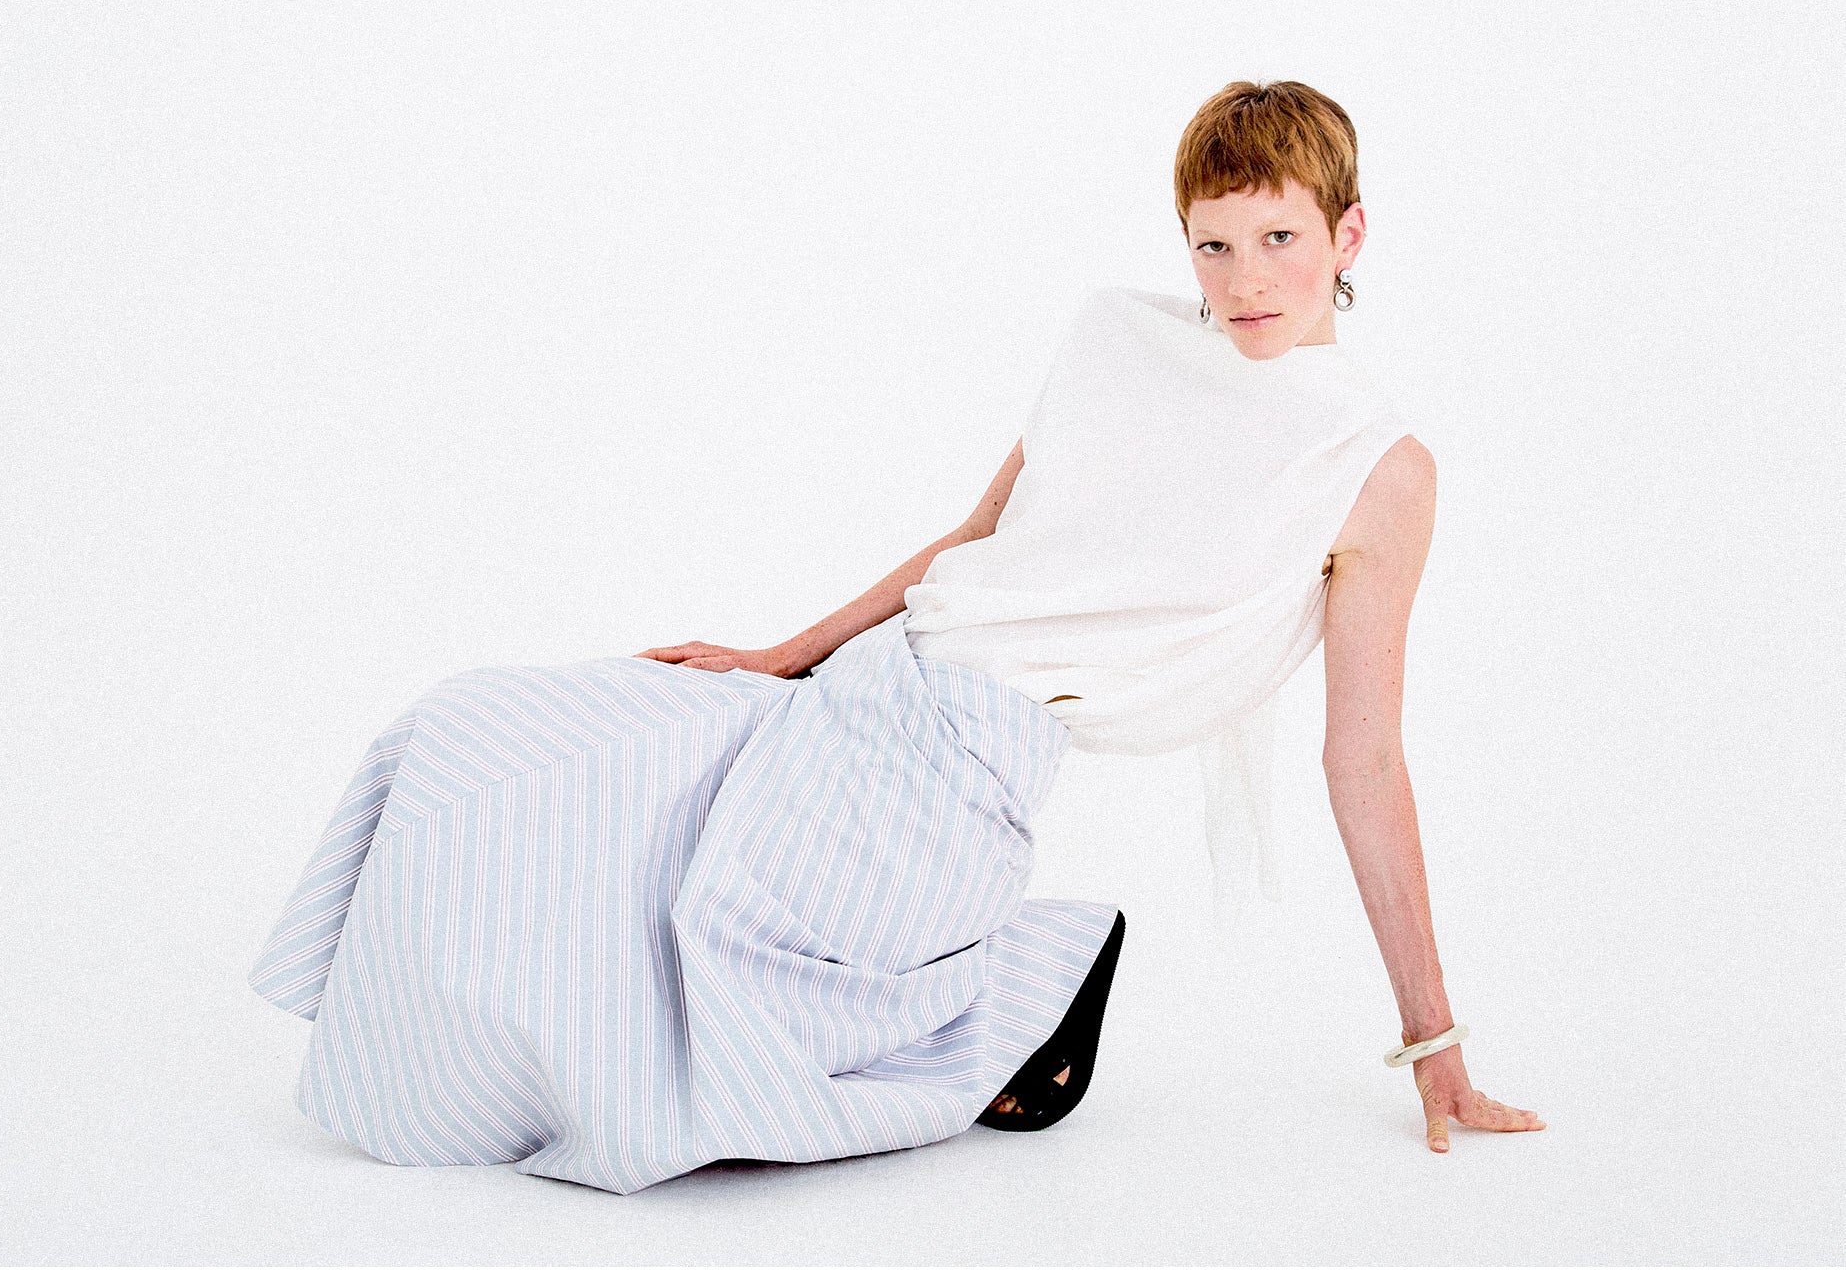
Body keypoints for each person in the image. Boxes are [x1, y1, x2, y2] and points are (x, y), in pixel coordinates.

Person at [250, 79, 1543, 1194]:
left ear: (1347, 230)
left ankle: (1019, 995)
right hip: (858, 691)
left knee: (672, 989)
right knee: (488, 733)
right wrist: (775, 656)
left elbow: (1360, 757)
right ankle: (393, 1036)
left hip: (956, 778)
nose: (1244, 279)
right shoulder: (1115, 339)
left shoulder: (1377, 467)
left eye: (1278, 236)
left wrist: (1434, 1042)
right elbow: (971, 537)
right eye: (1212, 246)